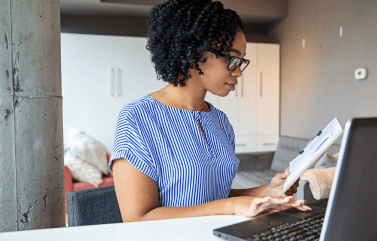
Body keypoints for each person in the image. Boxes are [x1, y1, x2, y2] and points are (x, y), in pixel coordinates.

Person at [108, 0, 310, 222]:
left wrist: (267, 191)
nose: (238, 72)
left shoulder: (220, 121)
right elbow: (137, 218)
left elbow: (214, 199)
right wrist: (231, 206)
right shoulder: (137, 118)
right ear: (194, 52)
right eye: (232, 58)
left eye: (242, 61)